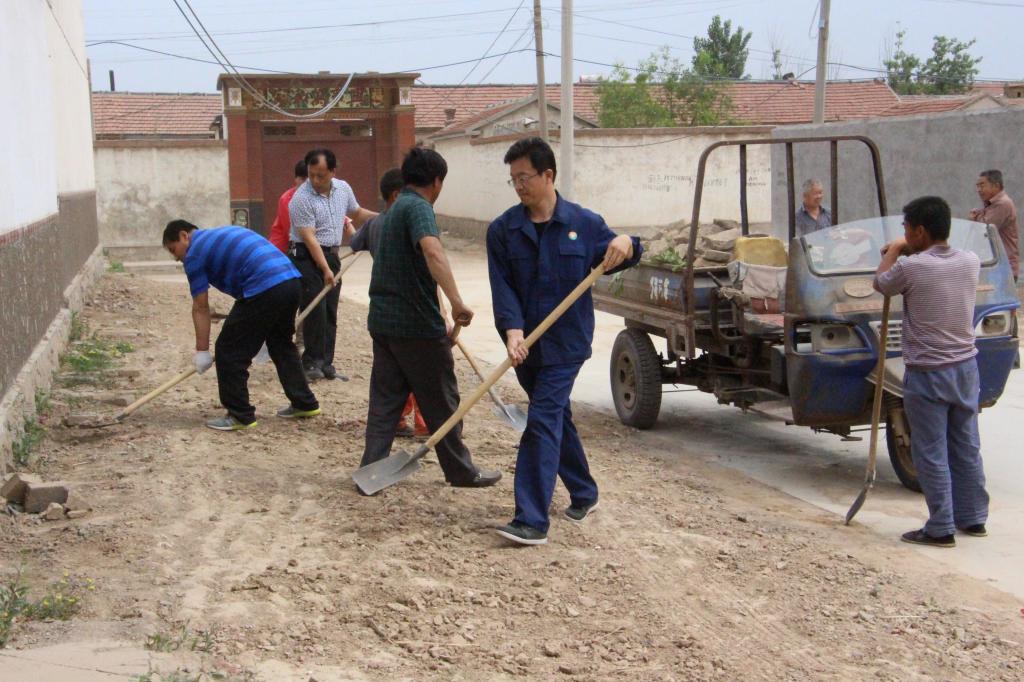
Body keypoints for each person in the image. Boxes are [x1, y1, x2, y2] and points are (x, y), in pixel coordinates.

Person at [486, 137, 642, 546]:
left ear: (548, 175)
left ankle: (531, 519)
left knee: (540, 421)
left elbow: (624, 250)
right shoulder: (503, 231)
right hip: (525, 346)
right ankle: (585, 492)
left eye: (525, 177)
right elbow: (501, 287)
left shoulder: (584, 224)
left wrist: (627, 242)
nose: (519, 186)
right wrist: (512, 330)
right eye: (513, 179)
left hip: (567, 345)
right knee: (555, 417)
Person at [360, 147, 501, 490]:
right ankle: (460, 471)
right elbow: (433, 252)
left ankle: (371, 468)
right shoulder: (419, 208)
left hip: (383, 323)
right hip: (416, 328)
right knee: (443, 401)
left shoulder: (390, 212)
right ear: (437, 182)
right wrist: (456, 302)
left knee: (386, 401)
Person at [873, 196, 988, 548]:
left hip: (928, 373)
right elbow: (933, 264)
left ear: (920, 231)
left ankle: (940, 527)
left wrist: (894, 249)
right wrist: (910, 247)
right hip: (966, 368)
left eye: (907, 229)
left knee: (931, 450)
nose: (904, 234)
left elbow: (881, 284)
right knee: (966, 445)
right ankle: (974, 518)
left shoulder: (912, 268)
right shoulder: (969, 261)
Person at [162, 220, 320, 431]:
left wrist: (202, 351)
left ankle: (240, 415)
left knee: (229, 350)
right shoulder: (222, 232)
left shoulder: (194, 254)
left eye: (174, 250)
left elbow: (201, 307)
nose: (176, 257)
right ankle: (304, 403)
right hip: (290, 282)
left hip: (264, 286)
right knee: (281, 344)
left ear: (184, 236)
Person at [351, 167, 428, 439]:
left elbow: (354, 242)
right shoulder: (408, 222)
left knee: (393, 375)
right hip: (413, 310)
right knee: (423, 371)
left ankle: (396, 419)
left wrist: (350, 225)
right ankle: (425, 423)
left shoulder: (375, 224)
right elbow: (431, 262)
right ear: (397, 194)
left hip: (383, 311)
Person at [288, 147, 377, 382]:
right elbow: (308, 237)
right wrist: (325, 270)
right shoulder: (301, 198)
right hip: (306, 257)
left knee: (330, 311)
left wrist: (382, 218)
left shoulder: (343, 189)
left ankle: (326, 363)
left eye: (321, 175)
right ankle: (310, 363)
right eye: (312, 174)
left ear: (333, 172)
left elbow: (356, 213)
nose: (316, 180)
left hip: (332, 255)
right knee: (314, 309)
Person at [968, 169, 1018, 281]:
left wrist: (974, 219)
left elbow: (984, 230)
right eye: (978, 186)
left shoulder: (1002, 204)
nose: (979, 190)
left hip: (1003, 269)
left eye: (982, 186)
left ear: (996, 186)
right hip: (996, 267)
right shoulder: (991, 204)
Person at [267, 159, 307, 253]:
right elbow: (291, 232)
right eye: (303, 179)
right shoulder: (287, 200)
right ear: (296, 179)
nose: (306, 183)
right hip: (281, 250)